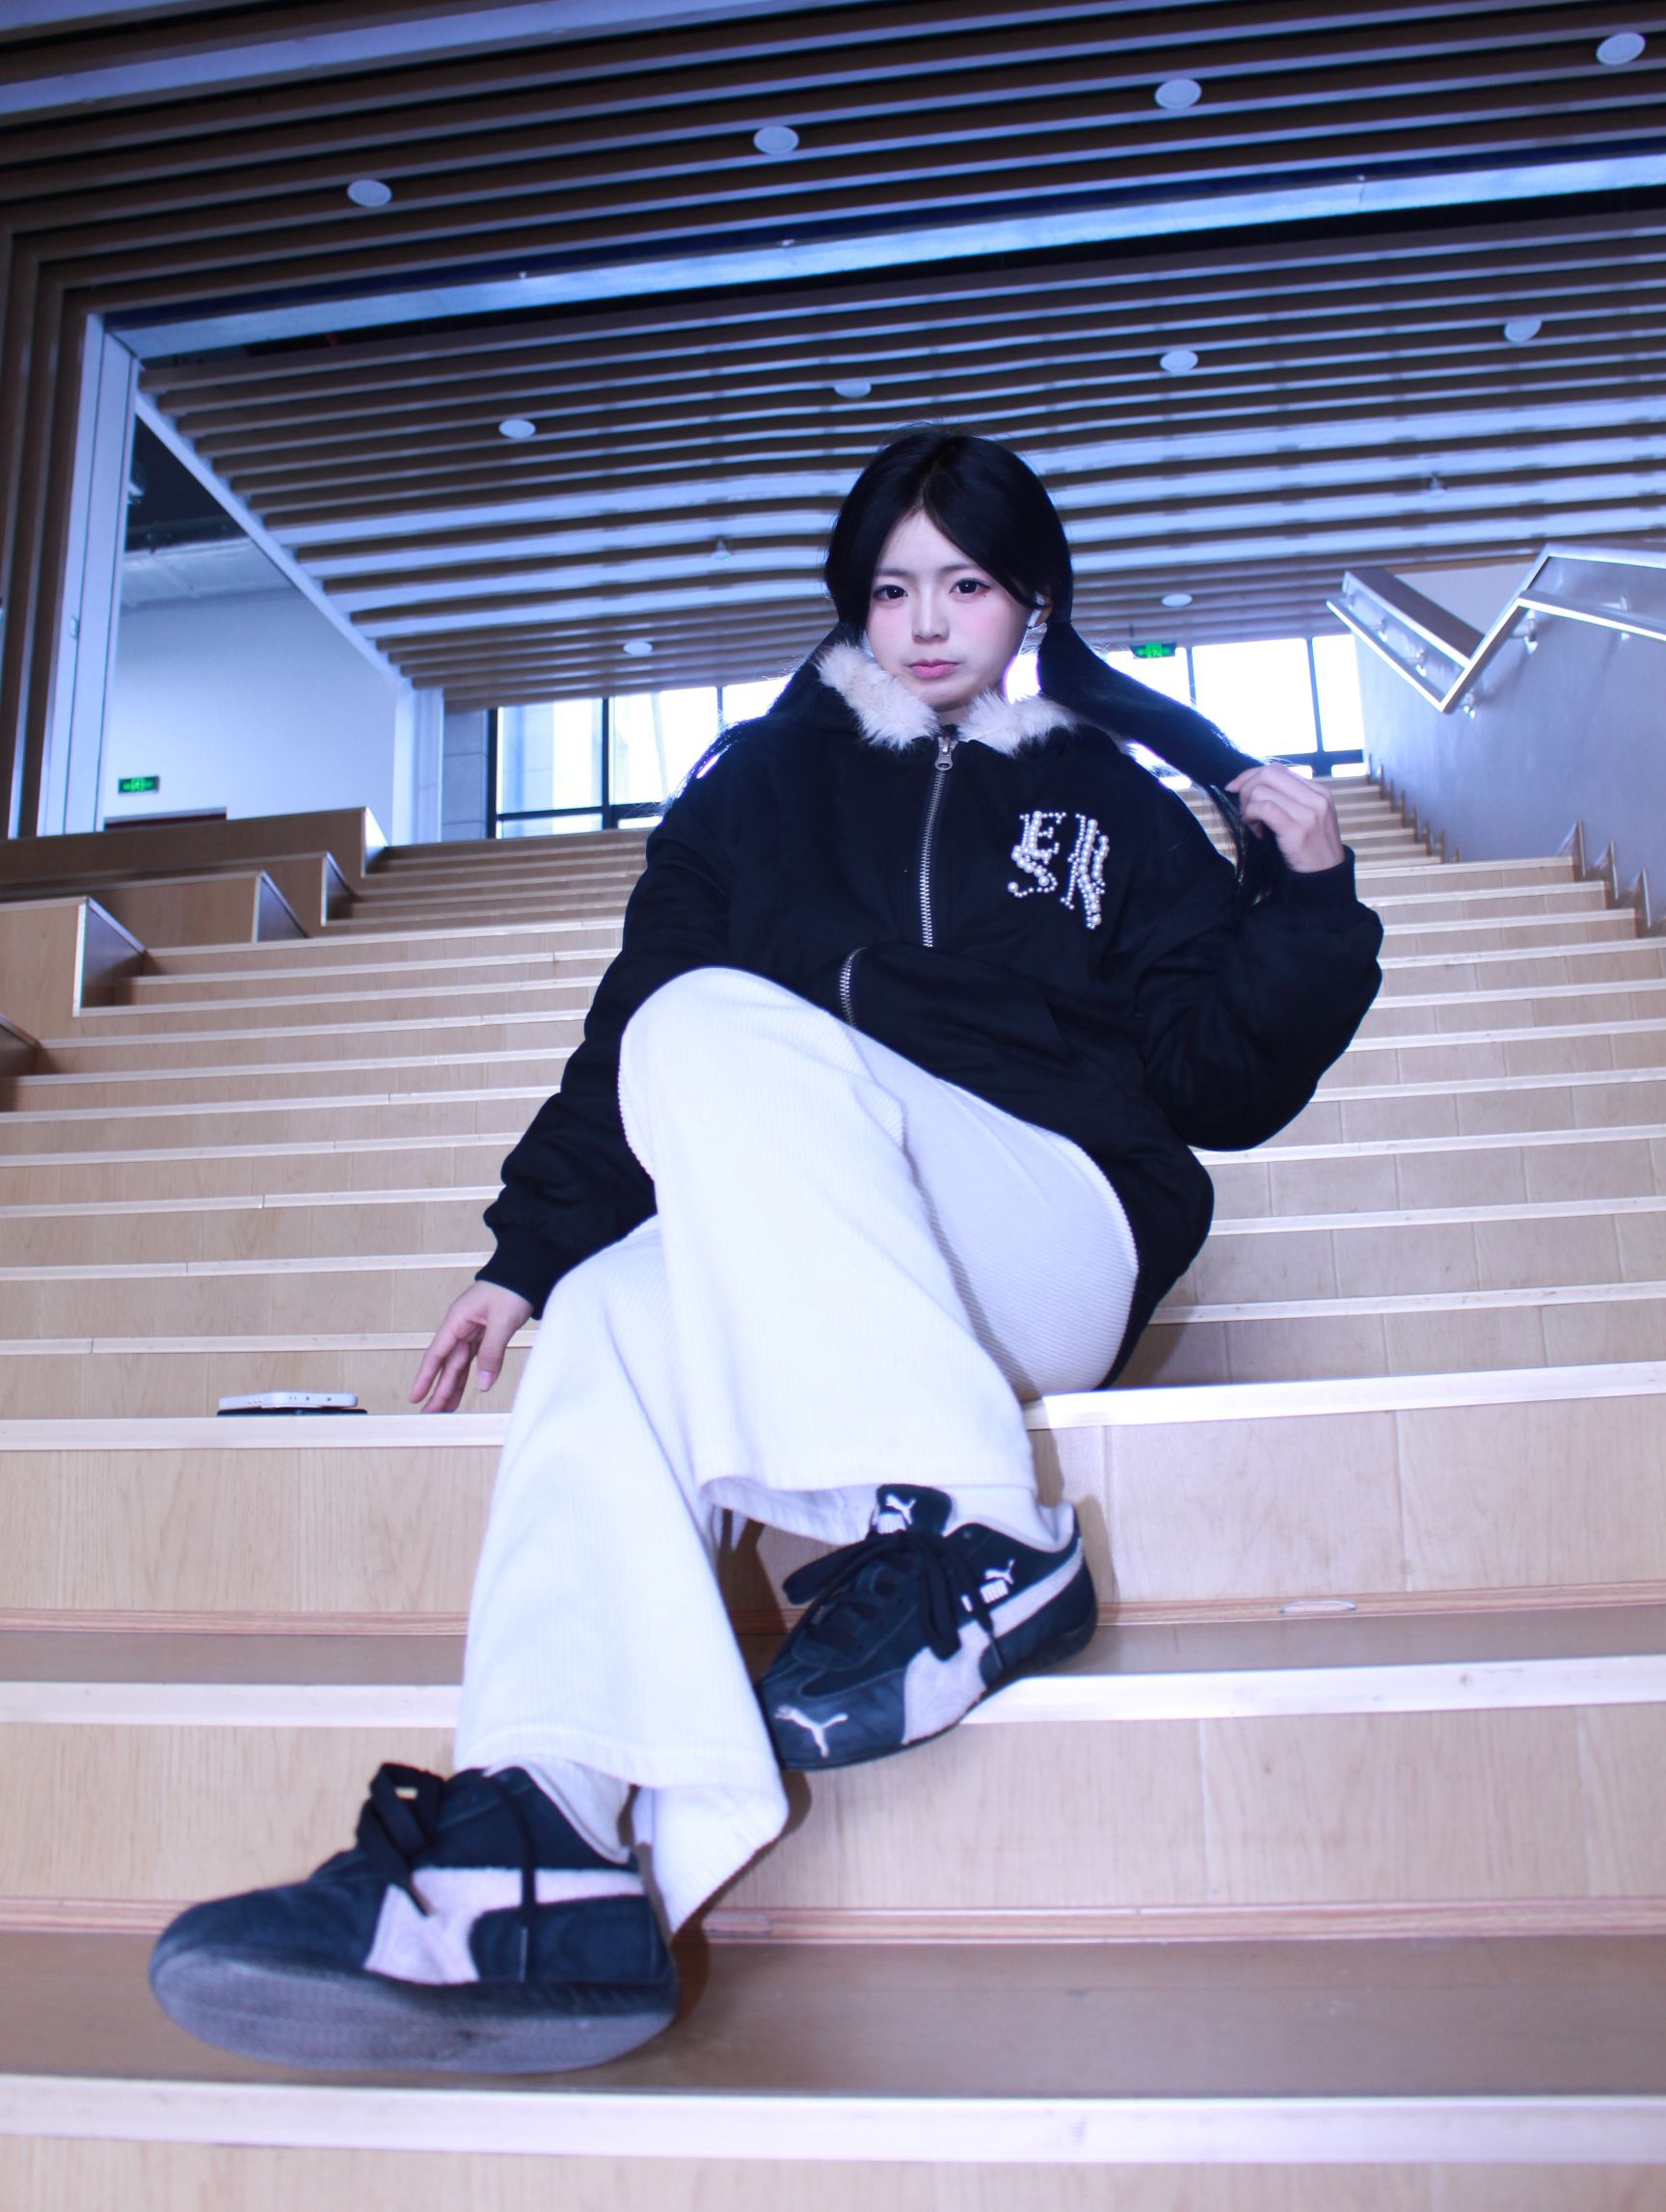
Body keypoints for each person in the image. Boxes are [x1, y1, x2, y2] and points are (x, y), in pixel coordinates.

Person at [149, 429, 1384, 2076]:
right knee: (612, 1303)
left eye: (966, 585)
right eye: (892, 587)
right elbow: (630, 1033)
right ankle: (543, 1842)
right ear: (852, 601)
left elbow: (1218, 1083)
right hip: (822, 1239)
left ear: (1031, 600)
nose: (927, 623)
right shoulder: (758, 784)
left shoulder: (1111, 796)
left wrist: (1307, 900)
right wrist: (526, 1256)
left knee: (710, 1026)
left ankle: (985, 1532)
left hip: (1043, 1224)